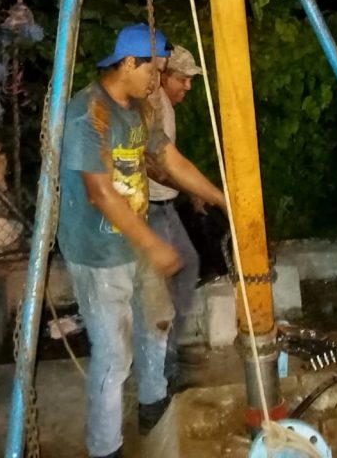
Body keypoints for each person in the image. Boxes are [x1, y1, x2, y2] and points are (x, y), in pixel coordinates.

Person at [57, 23, 226, 458]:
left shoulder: (140, 110)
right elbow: (100, 192)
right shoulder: (89, 113)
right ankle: (106, 448)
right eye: (155, 70)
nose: (158, 80)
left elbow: (169, 160)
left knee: (156, 323)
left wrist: (221, 198)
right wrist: (153, 245)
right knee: (114, 355)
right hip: (97, 250)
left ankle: (153, 407)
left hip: (136, 238)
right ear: (129, 63)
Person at [147, 44, 225, 388]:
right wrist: (198, 191)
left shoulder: (165, 105)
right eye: (183, 78)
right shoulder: (156, 105)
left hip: (165, 205)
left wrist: (191, 191)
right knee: (161, 290)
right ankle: (163, 370)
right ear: (163, 76)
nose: (188, 86)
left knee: (188, 265)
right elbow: (156, 165)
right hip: (151, 208)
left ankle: (170, 352)